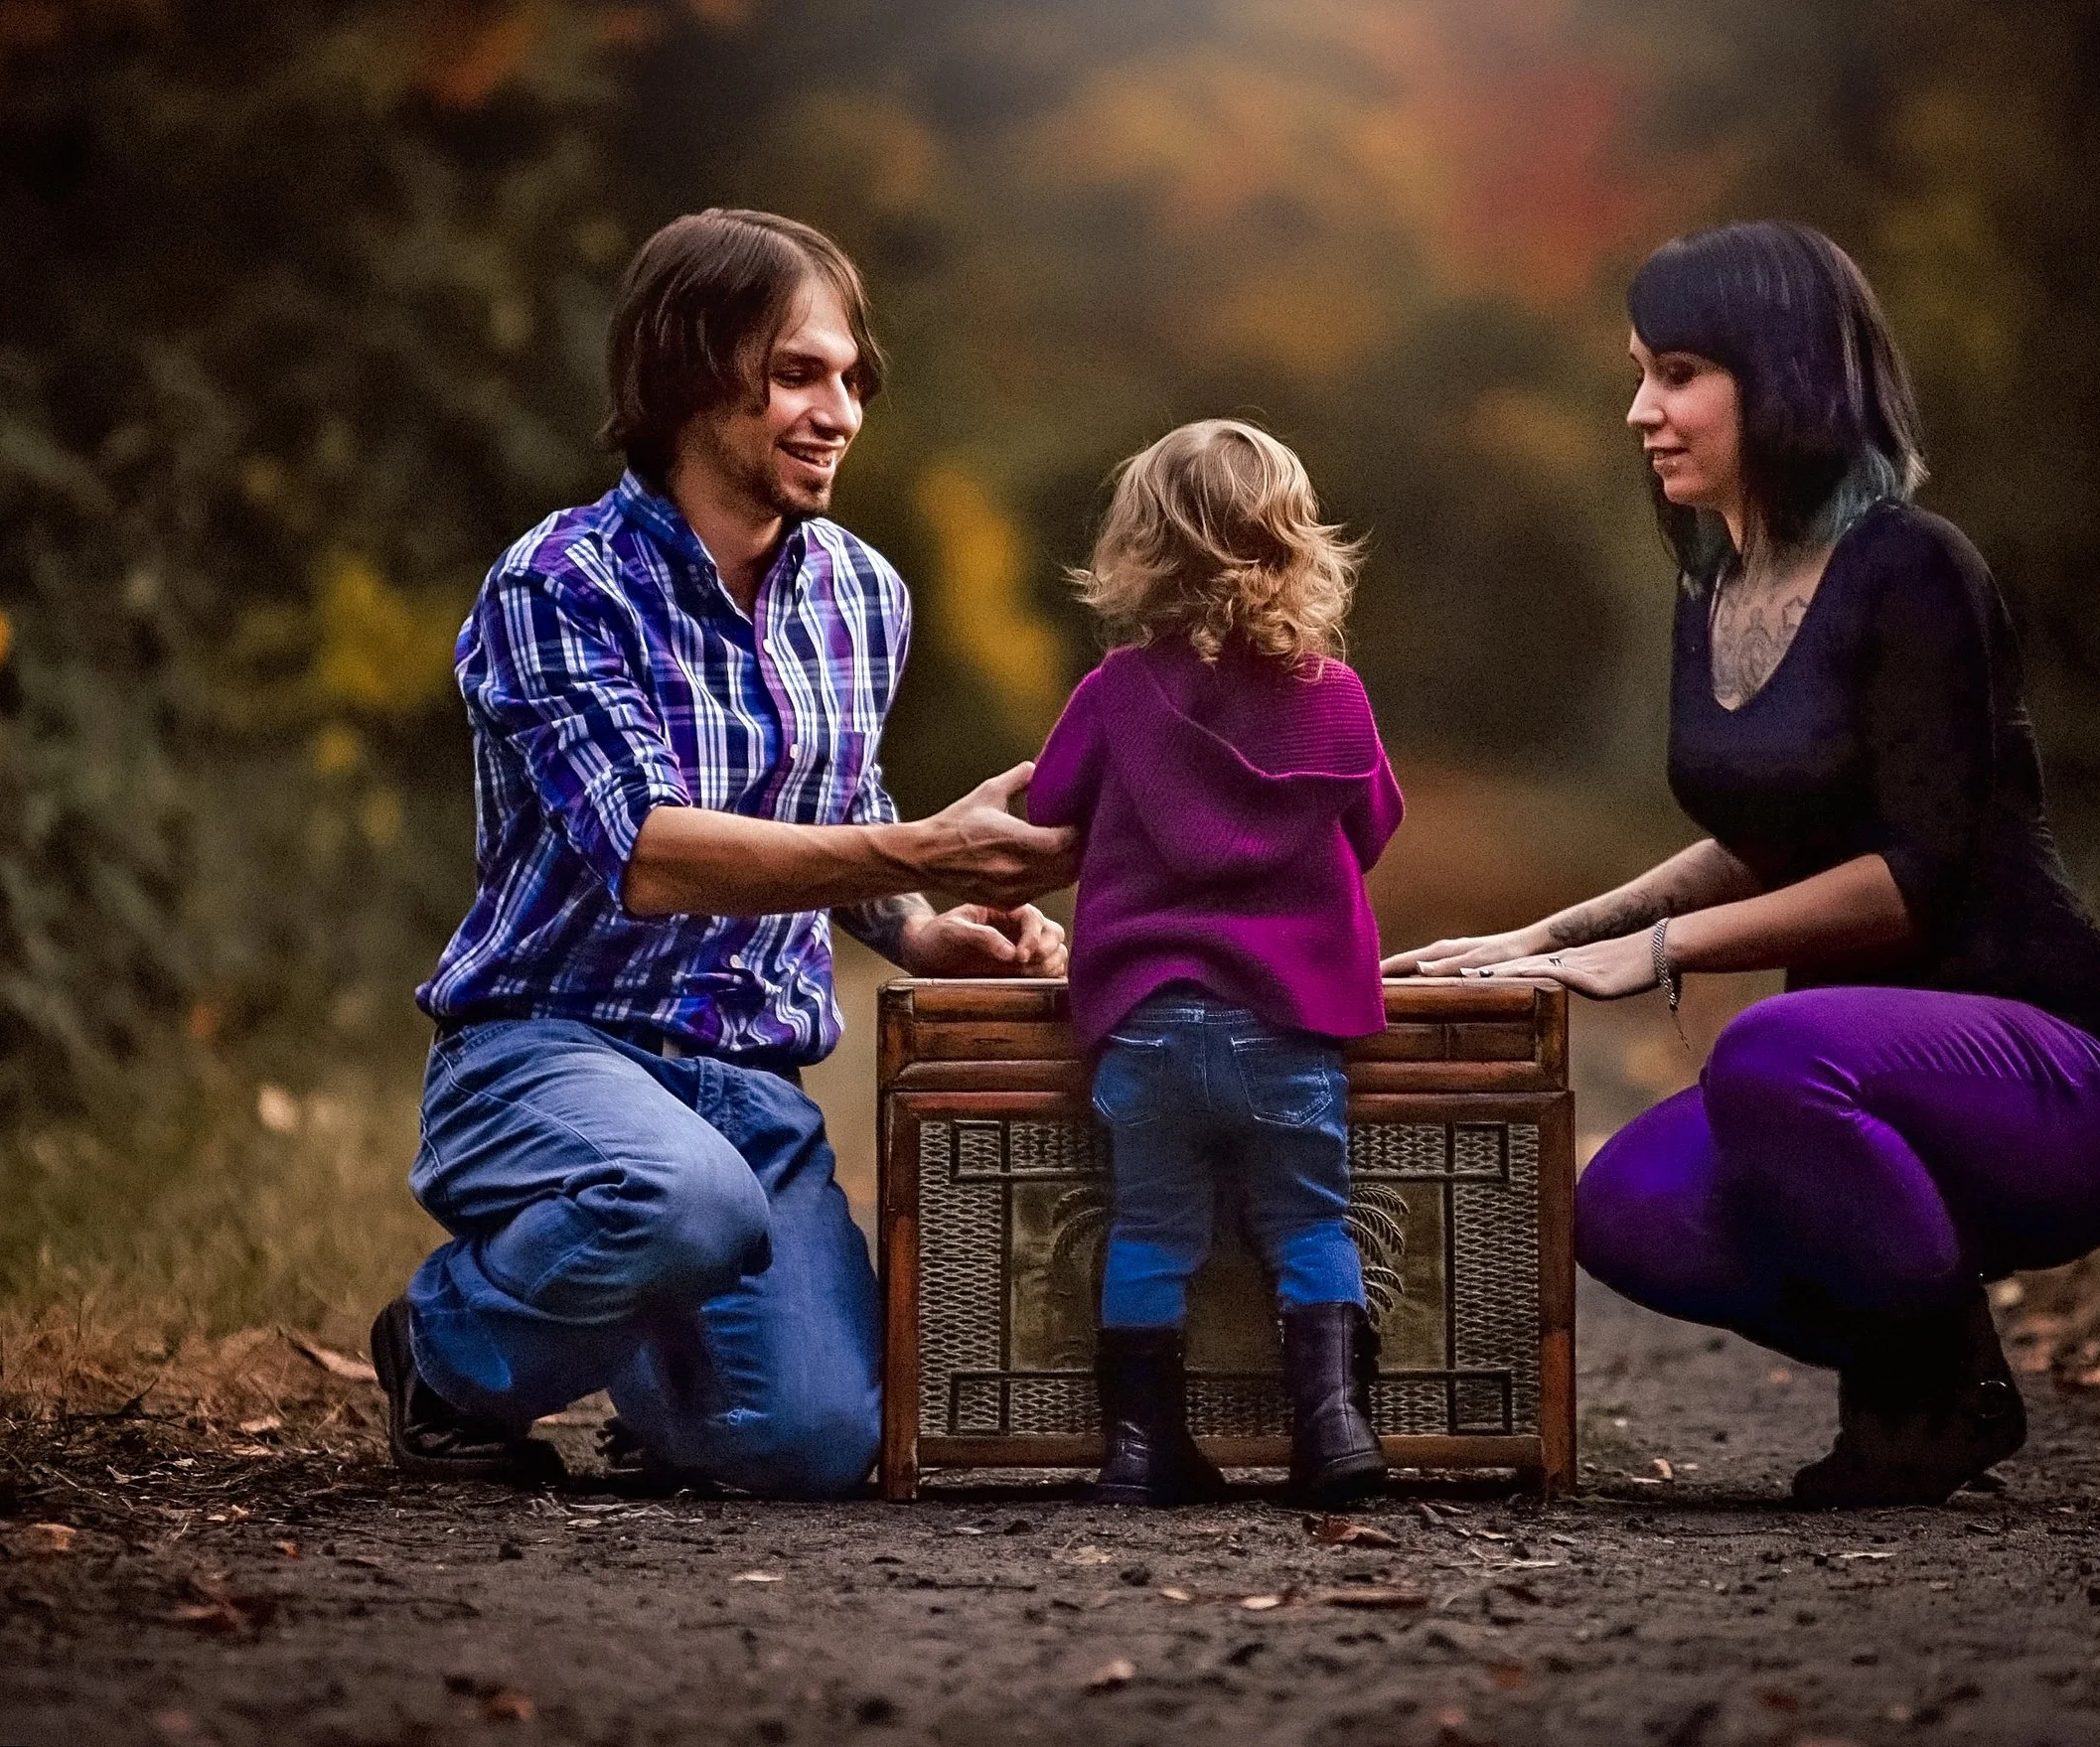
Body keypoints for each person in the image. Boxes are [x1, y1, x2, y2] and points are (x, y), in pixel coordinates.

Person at [1385, 221, 2100, 1509]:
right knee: (1624, 1207)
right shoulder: (1715, 589)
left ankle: (1927, 1395)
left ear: (1791, 373)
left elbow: (1912, 869)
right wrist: (1539, 936)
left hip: (2056, 1075)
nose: (1640, 408)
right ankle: (1936, 1365)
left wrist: (1650, 956)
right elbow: (1764, 837)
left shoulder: (1918, 568)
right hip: (1860, 1074)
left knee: (1772, 1049)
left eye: (1680, 369)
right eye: (1640, 369)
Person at [372, 209, 1078, 1497]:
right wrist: (923, 840)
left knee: (816, 1445)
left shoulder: (865, 594)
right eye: (799, 373)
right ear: (691, 372)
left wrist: (919, 924)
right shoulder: (559, 584)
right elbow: (647, 853)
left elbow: (835, 802)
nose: (841, 410)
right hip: (550, 1045)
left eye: (852, 377)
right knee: (684, 1199)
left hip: (753, 1089)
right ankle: (447, 1353)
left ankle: (654, 1331)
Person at [1026, 419, 1406, 1507]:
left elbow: (1052, 806)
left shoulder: (1113, 691)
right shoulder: (1335, 696)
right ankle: (1332, 1434)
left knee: (1151, 1227)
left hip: (1147, 1020)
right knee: (1308, 1224)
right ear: (1295, 545)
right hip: (1290, 1025)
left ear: (1138, 549)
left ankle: (1141, 1451)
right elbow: (1370, 826)